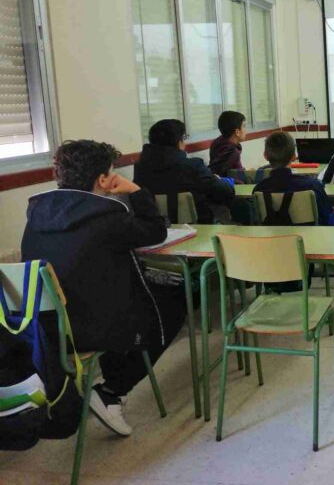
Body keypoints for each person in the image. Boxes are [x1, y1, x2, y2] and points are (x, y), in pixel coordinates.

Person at [21, 140, 188, 436]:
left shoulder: (37, 214)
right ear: (102, 179)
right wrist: (136, 192)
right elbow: (156, 231)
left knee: (117, 296)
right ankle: (112, 391)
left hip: (43, 330)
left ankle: (111, 386)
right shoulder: (107, 216)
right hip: (93, 328)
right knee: (175, 302)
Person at [133, 119, 234, 224]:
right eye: (184, 138)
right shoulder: (193, 166)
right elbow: (225, 191)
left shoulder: (140, 169)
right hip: (199, 227)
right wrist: (217, 180)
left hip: (154, 228)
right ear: (179, 141)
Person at [254, 131, 334, 226]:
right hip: (310, 238)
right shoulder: (313, 186)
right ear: (294, 156)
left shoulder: (259, 189)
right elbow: (328, 220)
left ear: (265, 155)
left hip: (273, 239)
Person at [209, 111, 246, 179]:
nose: (245, 130)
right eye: (244, 126)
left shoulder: (217, 142)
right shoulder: (232, 151)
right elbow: (217, 174)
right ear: (237, 132)